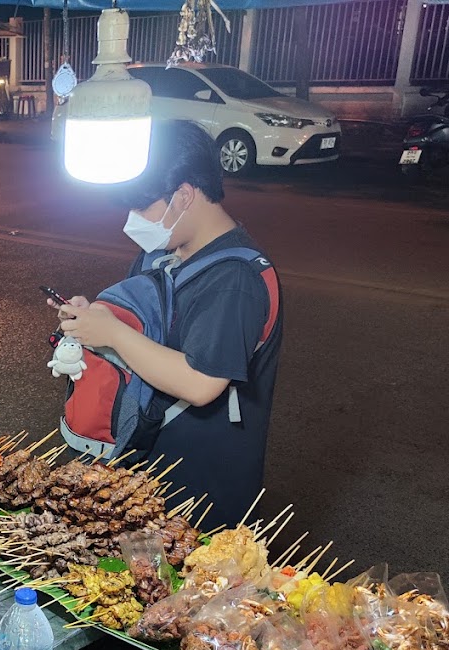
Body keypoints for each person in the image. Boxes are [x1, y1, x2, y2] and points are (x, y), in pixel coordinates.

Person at [52, 120, 284, 528]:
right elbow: (146, 329)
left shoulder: (235, 280)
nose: (133, 220)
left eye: (142, 208)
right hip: (140, 469)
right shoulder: (160, 253)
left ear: (184, 196)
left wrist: (114, 334)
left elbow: (200, 383)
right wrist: (102, 318)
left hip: (201, 492)